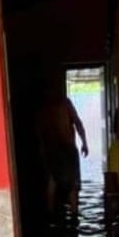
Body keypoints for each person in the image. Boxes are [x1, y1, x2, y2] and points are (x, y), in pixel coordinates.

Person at [36, 79, 88, 217]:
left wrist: (84, 142)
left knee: (57, 182)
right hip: (58, 150)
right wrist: (84, 142)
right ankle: (70, 215)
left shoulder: (57, 105)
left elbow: (77, 123)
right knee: (65, 184)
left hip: (62, 149)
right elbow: (77, 123)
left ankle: (56, 215)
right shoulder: (55, 107)